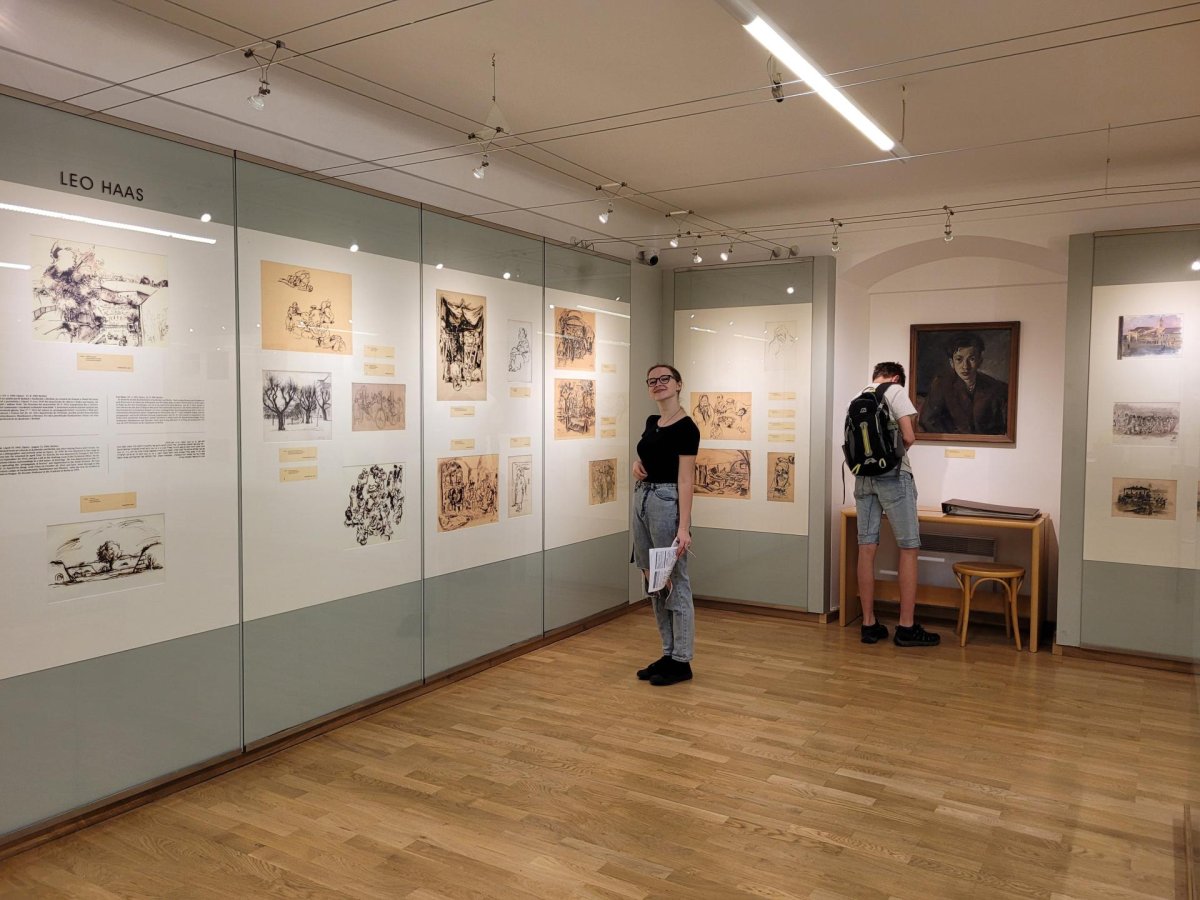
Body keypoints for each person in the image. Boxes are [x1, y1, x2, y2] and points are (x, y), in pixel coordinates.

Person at [853, 361, 940, 647]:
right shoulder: (895, 390)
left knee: (866, 548)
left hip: (863, 478)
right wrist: (893, 458)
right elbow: (909, 436)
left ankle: (868, 624)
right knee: (909, 548)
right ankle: (906, 627)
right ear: (895, 378)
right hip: (893, 476)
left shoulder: (859, 395)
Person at [632, 364, 700, 685]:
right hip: (642, 499)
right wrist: (637, 464)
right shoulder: (652, 422)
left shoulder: (687, 428)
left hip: (666, 502)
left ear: (678, 384)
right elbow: (649, 457)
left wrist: (683, 528)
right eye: (652, 381)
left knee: (674, 579)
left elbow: (685, 480)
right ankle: (668, 651)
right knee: (652, 578)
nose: (658, 384)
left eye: (664, 379)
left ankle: (682, 660)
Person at [917, 332, 1008, 435]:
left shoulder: (996, 388)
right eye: (959, 359)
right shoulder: (941, 384)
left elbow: (1004, 427)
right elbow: (927, 421)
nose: (965, 366)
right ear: (952, 362)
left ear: (980, 361)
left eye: (972, 359)